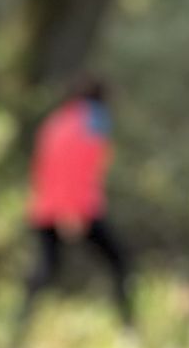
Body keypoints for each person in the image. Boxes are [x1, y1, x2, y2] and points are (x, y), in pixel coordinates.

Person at [21, 73, 135, 328]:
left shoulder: (57, 121)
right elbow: (79, 166)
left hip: (44, 205)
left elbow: (42, 167)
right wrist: (71, 210)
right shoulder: (94, 119)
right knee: (119, 262)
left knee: (46, 267)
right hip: (77, 207)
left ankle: (21, 322)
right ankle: (128, 324)